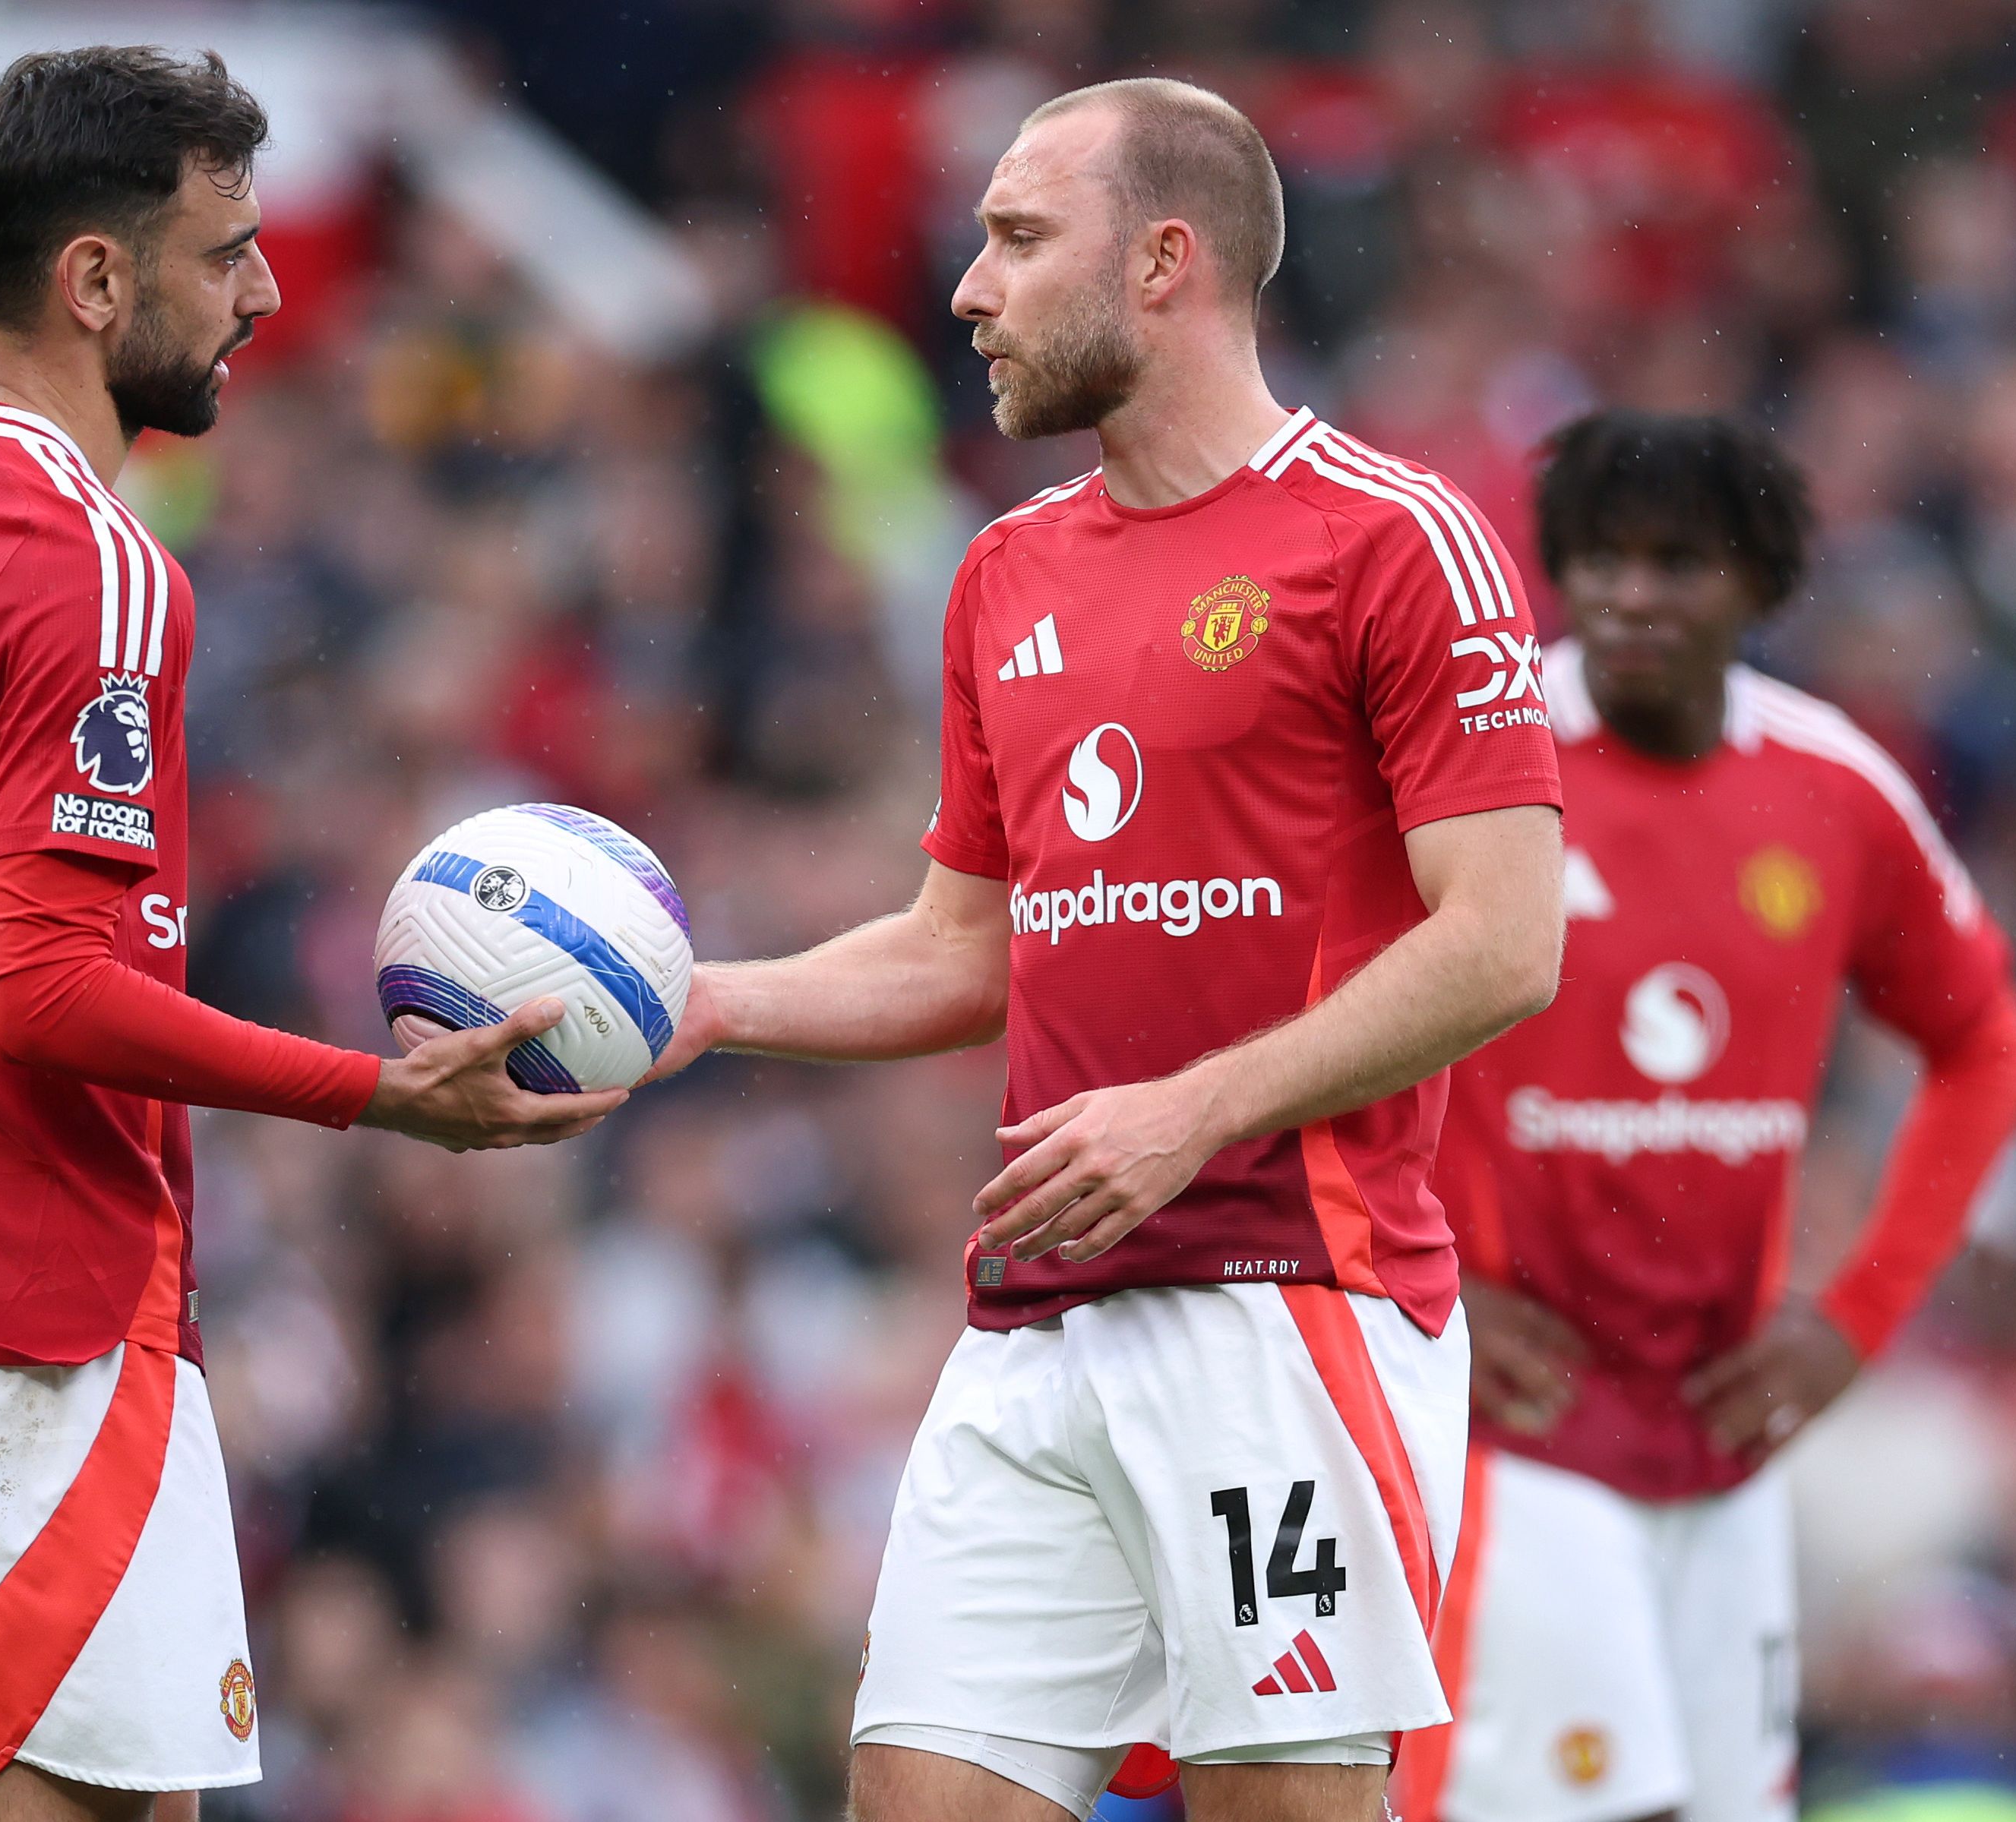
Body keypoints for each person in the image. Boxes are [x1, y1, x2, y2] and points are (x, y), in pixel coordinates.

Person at [0, 47, 621, 1821]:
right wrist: (385, 1095)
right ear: (97, 279)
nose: (267, 296)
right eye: (228, 255)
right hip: (23, 1315)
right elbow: (47, 991)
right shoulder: (94, 562)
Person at [644, 79, 1568, 1822]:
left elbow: (1508, 945)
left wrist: (1187, 1113)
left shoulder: (1390, 542)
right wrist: (702, 1006)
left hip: (1288, 1308)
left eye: (1013, 240)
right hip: (1033, 1327)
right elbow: (964, 949)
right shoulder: (1004, 572)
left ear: (1164, 260)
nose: (965, 292)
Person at [1405, 413, 2016, 1822]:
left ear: (1758, 585)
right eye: (1599, 561)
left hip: (1721, 1433)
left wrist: (1853, 1320)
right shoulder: (1469, 766)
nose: (1630, 595)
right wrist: (1425, 1290)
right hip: (1516, 1429)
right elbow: (1308, 1024)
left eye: (1676, 563)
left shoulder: (1833, 790)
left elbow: (1983, 1046)